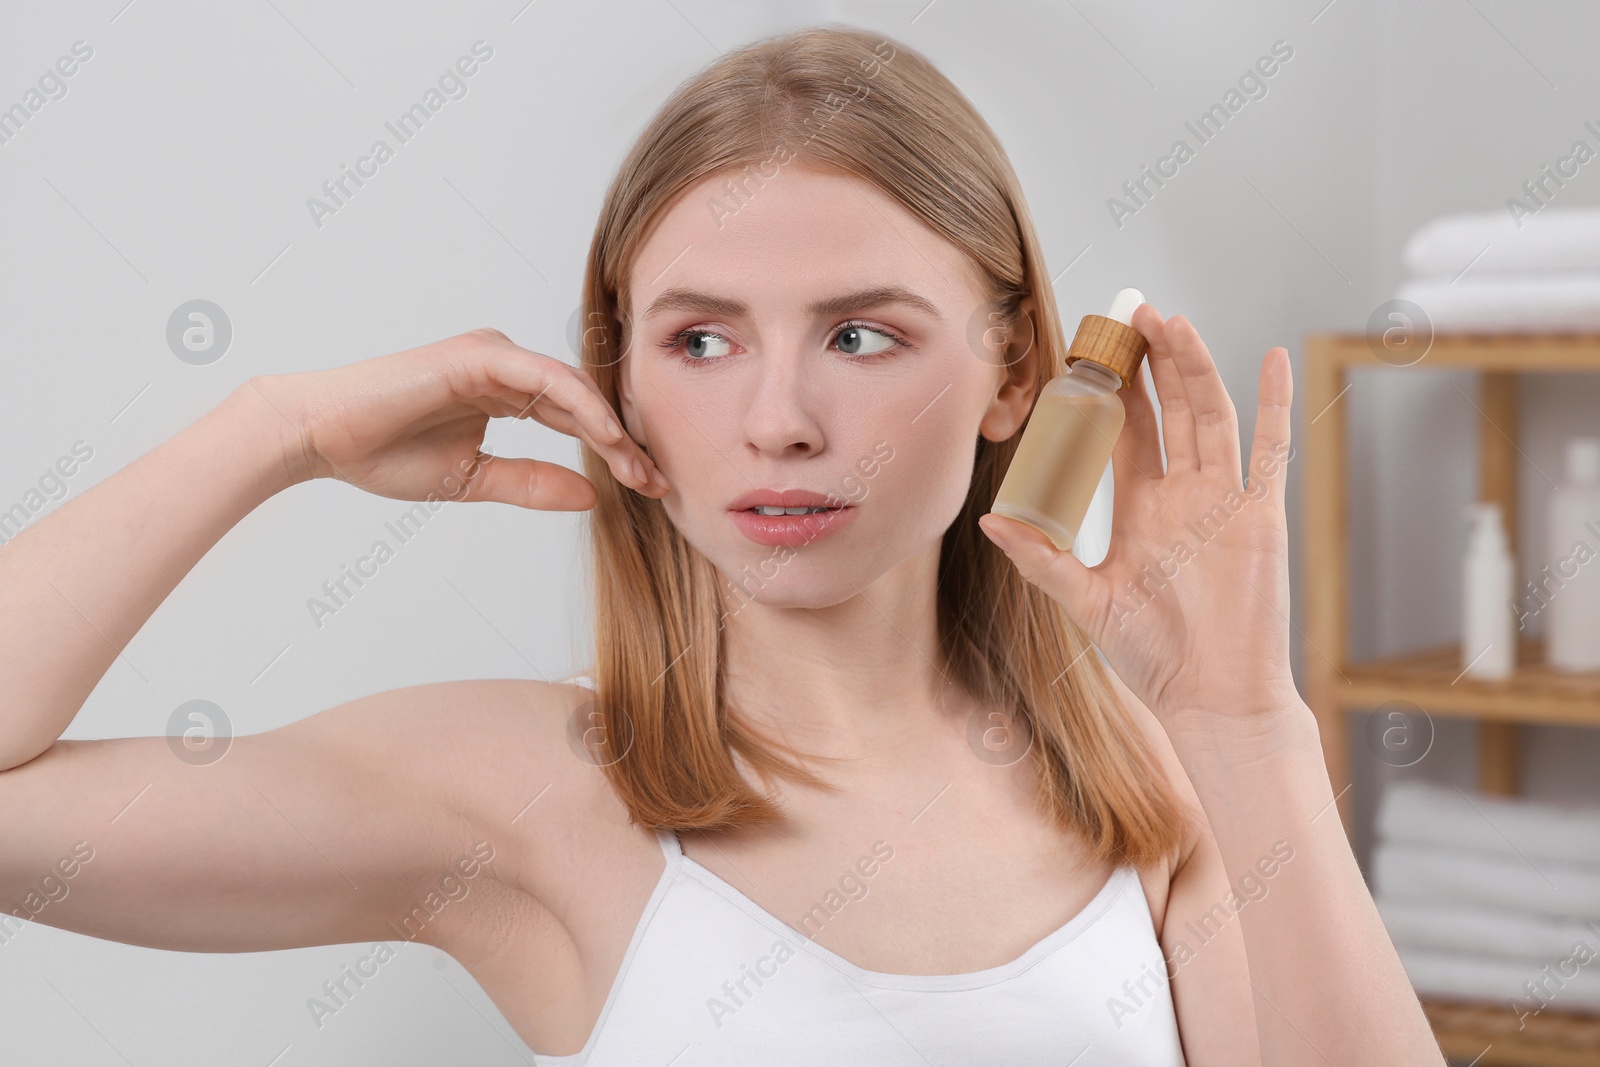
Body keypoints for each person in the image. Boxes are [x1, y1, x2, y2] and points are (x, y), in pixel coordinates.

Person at [0, 24, 1441, 1067]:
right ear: (619, 379)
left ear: (1014, 372)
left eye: (861, 334)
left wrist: (1246, 723)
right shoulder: (531, 795)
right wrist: (279, 430)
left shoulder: (1158, 786)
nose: (779, 420)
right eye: (699, 339)